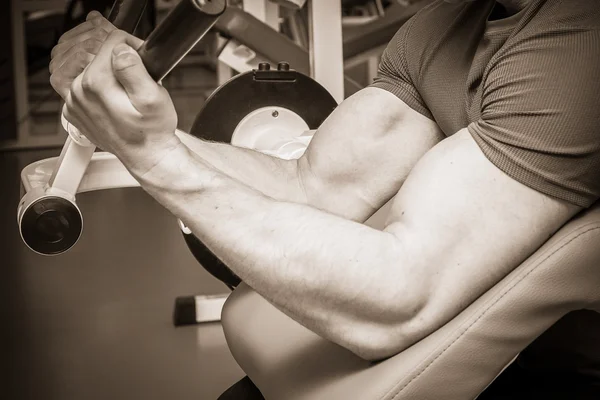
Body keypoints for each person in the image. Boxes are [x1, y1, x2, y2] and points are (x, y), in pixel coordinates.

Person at [49, 0, 600, 398]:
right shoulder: (444, 25)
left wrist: (154, 159)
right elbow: (314, 187)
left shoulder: (577, 45)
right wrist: (136, 123)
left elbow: (400, 298)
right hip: (482, 350)